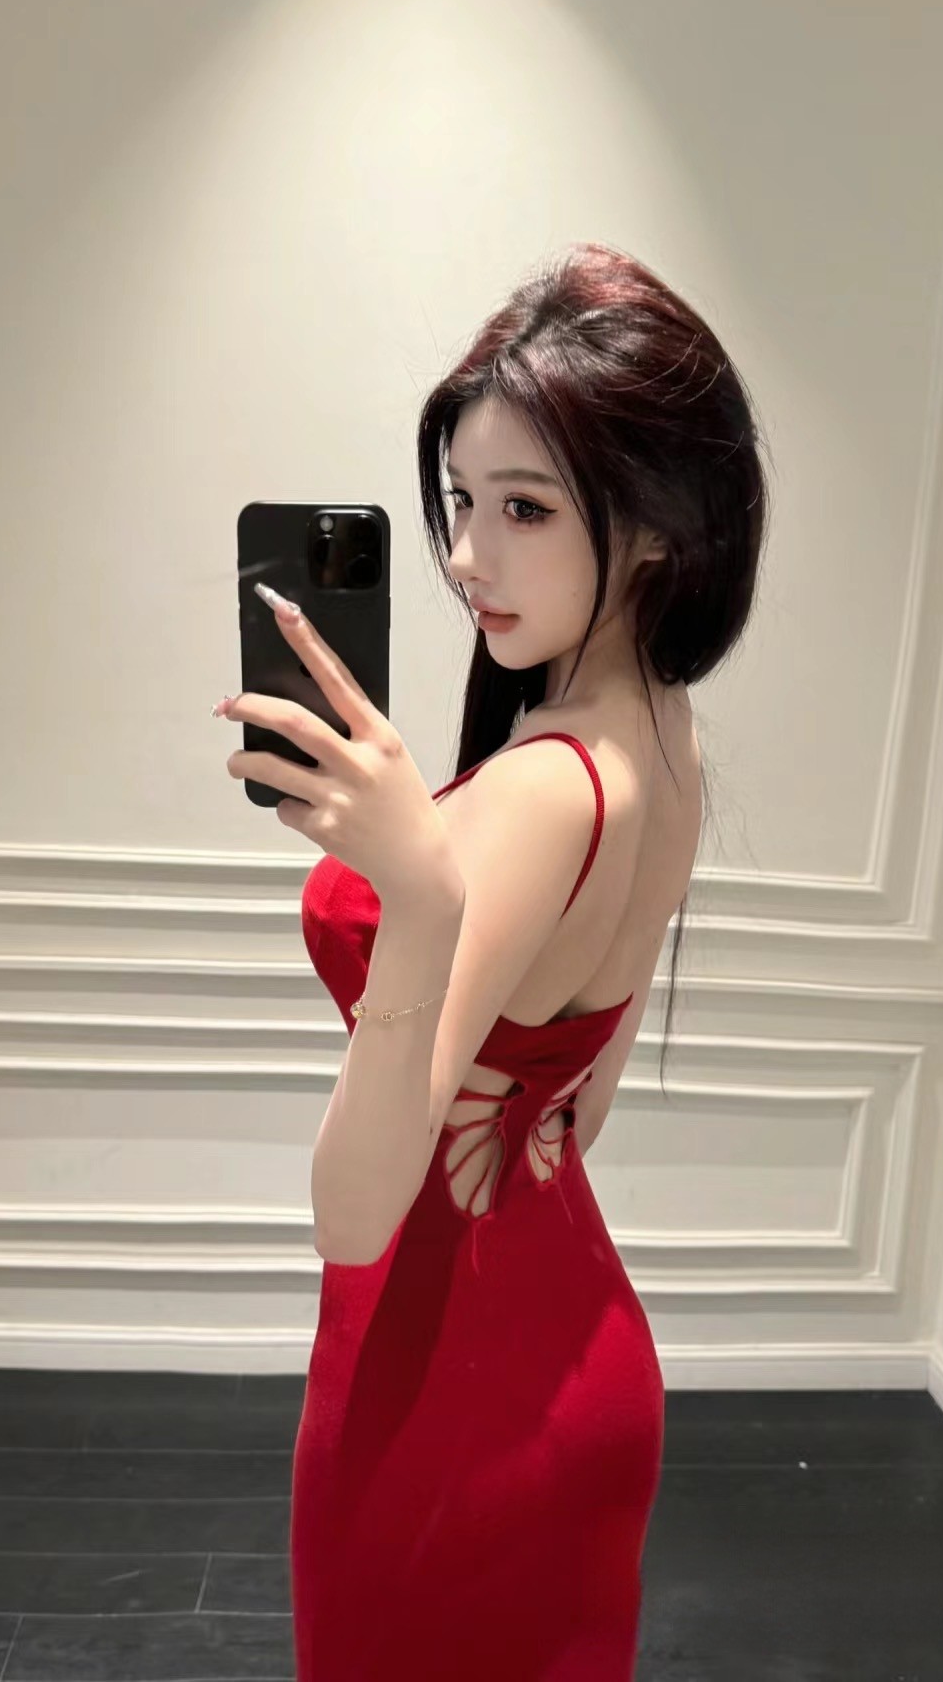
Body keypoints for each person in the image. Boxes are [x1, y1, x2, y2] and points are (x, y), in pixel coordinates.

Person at [223, 240, 770, 1679]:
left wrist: (419, 893)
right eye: (462, 502)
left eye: (525, 507)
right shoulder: (664, 739)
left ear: (658, 525)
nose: (468, 558)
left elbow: (355, 1215)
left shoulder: (542, 790)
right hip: (573, 1343)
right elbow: (574, 1107)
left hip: (448, 1395)